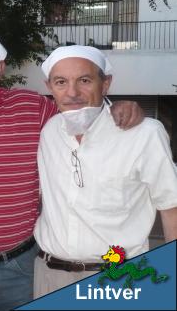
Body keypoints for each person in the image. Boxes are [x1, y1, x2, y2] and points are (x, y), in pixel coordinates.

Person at [0, 26, 144, 311]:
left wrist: (116, 105)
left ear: (0, 67)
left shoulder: (34, 107)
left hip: (21, 265)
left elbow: (81, 111)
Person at [33, 45, 177, 298]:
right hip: (49, 275)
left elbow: (171, 207)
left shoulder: (144, 133)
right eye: (61, 82)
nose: (72, 92)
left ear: (106, 83)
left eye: (84, 80)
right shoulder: (50, 131)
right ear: (49, 87)